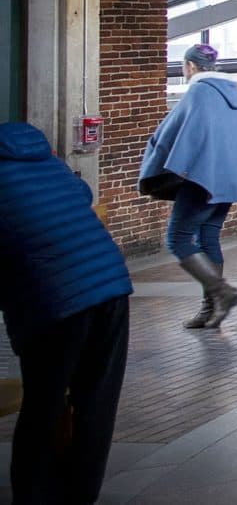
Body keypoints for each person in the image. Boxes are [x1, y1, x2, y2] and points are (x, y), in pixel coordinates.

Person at [0, 121, 132, 505]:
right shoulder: (43, 157)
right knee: (95, 401)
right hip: (110, 283)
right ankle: (78, 495)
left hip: (55, 298)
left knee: (43, 403)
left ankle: (33, 497)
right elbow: (82, 192)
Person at [139, 42, 237, 330]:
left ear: (191, 66)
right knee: (209, 236)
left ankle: (222, 293)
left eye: (183, 67)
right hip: (227, 181)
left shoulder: (198, 91)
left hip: (201, 179)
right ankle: (211, 309)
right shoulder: (231, 94)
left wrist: (157, 161)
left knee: (178, 238)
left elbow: (177, 131)